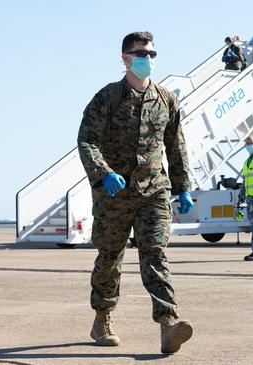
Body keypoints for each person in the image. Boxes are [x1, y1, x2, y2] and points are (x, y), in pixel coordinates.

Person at [77, 31, 194, 354]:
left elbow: (176, 146)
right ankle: (102, 317)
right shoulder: (108, 98)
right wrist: (104, 173)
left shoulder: (167, 99)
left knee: (155, 254)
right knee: (110, 257)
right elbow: (87, 140)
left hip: (153, 191)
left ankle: (168, 323)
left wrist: (183, 187)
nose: (148, 59)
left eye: (152, 54)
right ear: (126, 58)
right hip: (114, 194)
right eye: (142, 54)